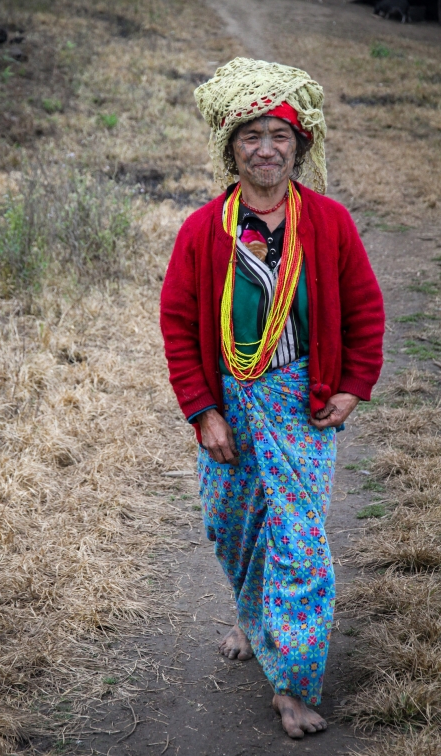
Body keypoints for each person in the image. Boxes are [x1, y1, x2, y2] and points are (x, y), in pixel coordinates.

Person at [159, 57, 384, 740]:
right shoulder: (205, 229)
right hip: (227, 397)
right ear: (230, 149)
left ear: (300, 146)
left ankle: (293, 680)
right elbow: (177, 320)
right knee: (233, 531)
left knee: (298, 540)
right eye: (251, 135)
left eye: (279, 135)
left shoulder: (328, 222)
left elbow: (365, 307)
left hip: (301, 402)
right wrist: (203, 411)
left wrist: (352, 385)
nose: (266, 148)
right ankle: (255, 619)